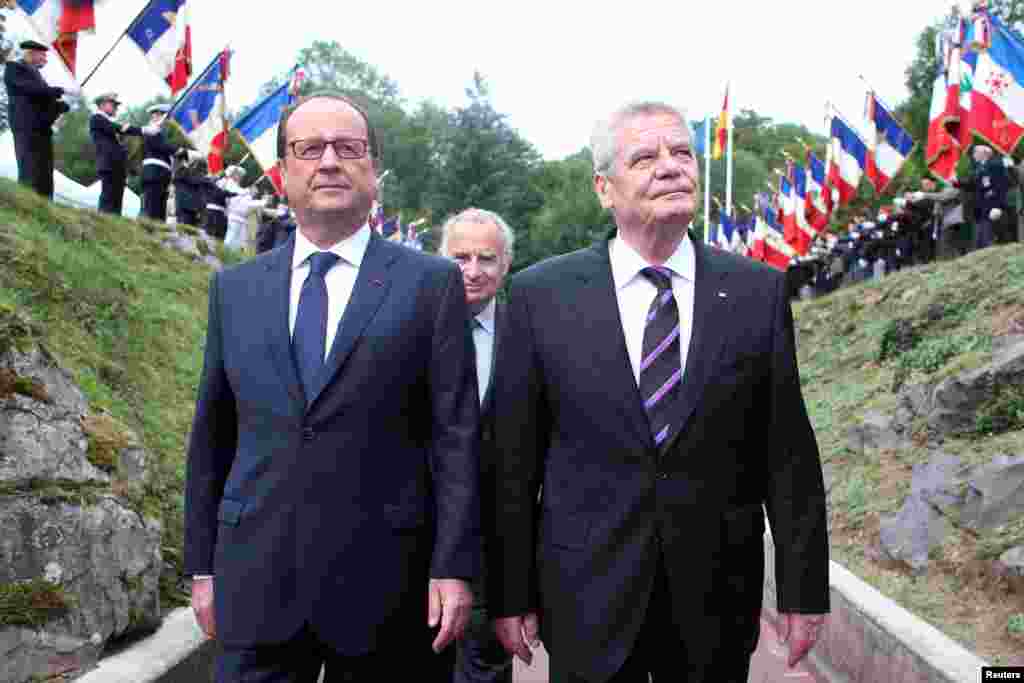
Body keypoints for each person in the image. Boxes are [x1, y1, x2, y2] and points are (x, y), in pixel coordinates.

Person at [486, 101, 829, 683]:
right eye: (644, 157)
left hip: (715, 598)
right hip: (586, 597)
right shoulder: (539, 297)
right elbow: (512, 463)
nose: (670, 167)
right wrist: (509, 591)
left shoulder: (758, 293)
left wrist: (803, 591)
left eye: (681, 152)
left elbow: (788, 457)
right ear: (604, 188)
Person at [184, 91, 480, 683]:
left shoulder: (432, 285)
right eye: (309, 148)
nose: (329, 161)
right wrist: (202, 567)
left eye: (349, 148)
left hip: (387, 587)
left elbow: (455, 436)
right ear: (284, 170)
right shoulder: (235, 291)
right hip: (256, 581)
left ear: (373, 170)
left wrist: (453, 566)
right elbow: (213, 434)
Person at [438, 208, 515, 683]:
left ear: (505, 264)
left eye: (486, 258)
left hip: (496, 543)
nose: (472, 269)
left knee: (484, 668)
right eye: (460, 257)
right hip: (417, 541)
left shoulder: (529, 334)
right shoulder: (404, 328)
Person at [4, 40, 71, 199]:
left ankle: (46, 204)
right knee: (30, 169)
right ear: (30, 53)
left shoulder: (37, 75)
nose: (45, 60)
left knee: (44, 172)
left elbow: (44, 99)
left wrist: (59, 106)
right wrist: (56, 91)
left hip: (42, 129)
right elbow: (31, 90)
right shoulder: (14, 69)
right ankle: (27, 203)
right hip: (26, 126)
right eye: (42, 55)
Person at [90, 93, 143, 215]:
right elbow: (117, 128)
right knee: (108, 198)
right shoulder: (97, 118)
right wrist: (142, 130)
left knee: (116, 201)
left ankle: (113, 224)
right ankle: (103, 224)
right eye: (113, 104)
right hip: (108, 164)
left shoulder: (108, 122)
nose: (116, 108)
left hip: (117, 166)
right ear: (102, 105)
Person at [959, 145, 1009, 250]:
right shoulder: (978, 168)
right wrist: (956, 182)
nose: (973, 155)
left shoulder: (996, 164)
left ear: (984, 153)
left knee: (990, 242)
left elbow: (1001, 186)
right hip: (980, 209)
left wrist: (998, 206)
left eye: (975, 152)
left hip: (992, 208)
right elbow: (971, 184)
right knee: (979, 243)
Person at [139, 104, 183, 222]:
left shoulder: (160, 133)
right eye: (166, 117)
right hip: (153, 173)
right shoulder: (151, 130)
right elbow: (161, 146)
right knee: (151, 211)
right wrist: (178, 151)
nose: (167, 121)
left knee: (159, 212)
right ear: (157, 116)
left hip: (161, 175)